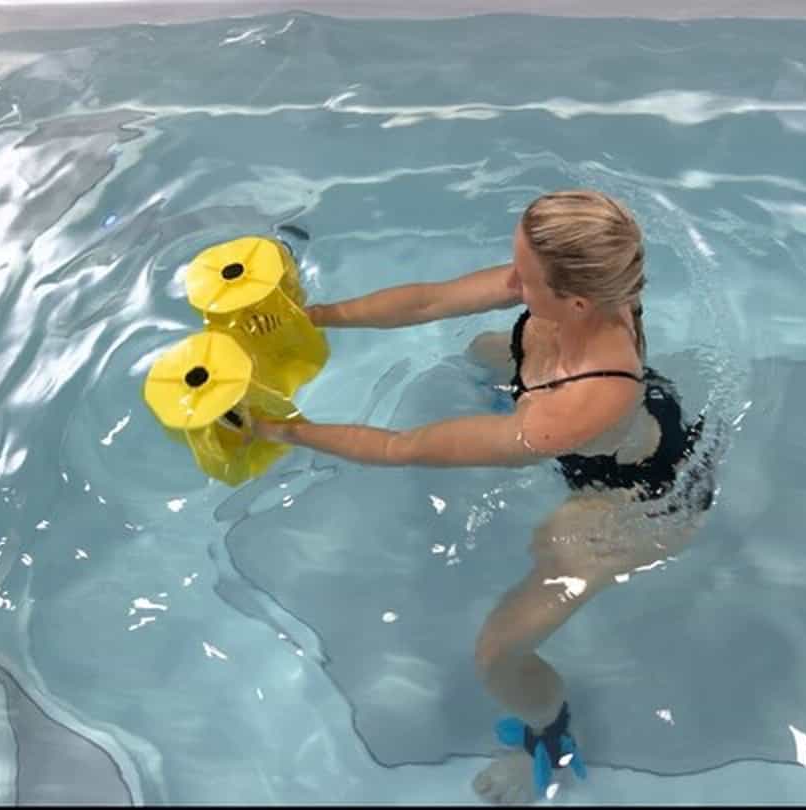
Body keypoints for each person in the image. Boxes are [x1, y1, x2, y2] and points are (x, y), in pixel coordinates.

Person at [252, 189, 716, 804]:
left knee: (498, 651)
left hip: (639, 498)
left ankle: (548, 737)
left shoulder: (580, 406)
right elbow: (431, 300)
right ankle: (507, 401)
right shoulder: (587, 283)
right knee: (484, 351)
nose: (511, 280)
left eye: (524, 275)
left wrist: (284, 430)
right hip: (614, 413)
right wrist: (313, 316)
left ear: (576, 301)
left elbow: (403, 448)